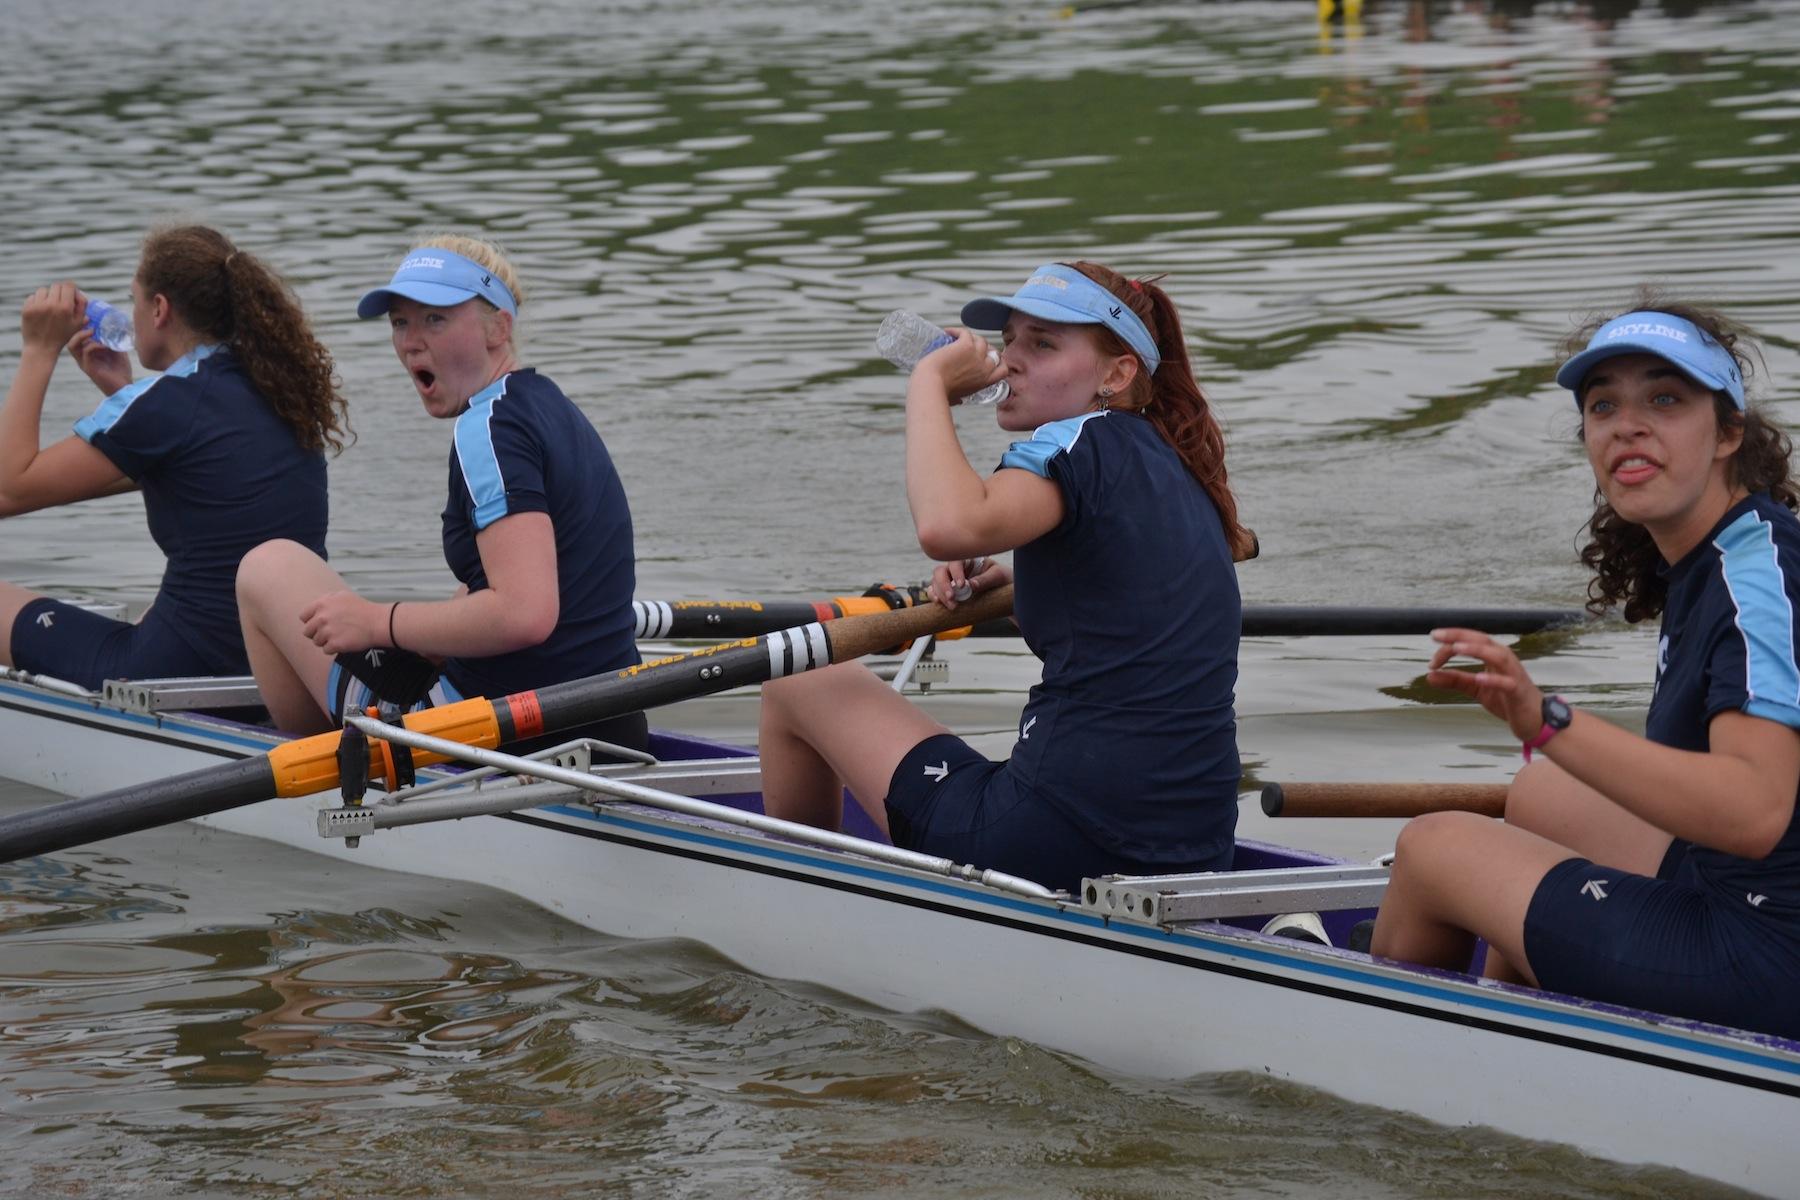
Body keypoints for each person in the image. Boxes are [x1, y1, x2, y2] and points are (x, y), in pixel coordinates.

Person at [1371, 293, 1800, 1039]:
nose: (1629, 424)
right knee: (1544, 793)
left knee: (1431, 848)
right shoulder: (1735, 547)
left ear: (1729, 430)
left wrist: (1548, 720)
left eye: (1665, 399)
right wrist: (1551, 745)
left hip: (1767, 956)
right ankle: (1524, 1026)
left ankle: (1400, 1067)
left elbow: (1754, 813)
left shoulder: (1754, 582)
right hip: (1754, 903)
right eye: (1604, 406)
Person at [758, 262, 1254, 893]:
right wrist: (1020, 592)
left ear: (1117, 373)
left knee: (797, 675)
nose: (1010, 360)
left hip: (1054, 837)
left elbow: (946, 526)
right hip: (1196, 845)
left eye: (1043, 344)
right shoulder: (1179, 467)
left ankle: (797, 905)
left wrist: (930, 383)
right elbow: (1132, 621)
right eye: (1012, 340)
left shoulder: (1071, 444)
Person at [235, 233, 645, 750]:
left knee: (267, 568)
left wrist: (377, 622)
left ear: (500, 327)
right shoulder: (549, 408)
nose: (410, 342)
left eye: (435, 319)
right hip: (611, 717)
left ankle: (311, 769)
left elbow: (525, 614)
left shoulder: (487, 429)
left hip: (497, 733)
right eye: (400, 322)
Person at [0, 225, 347, 688]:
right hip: (279, 658)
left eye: (135, 299)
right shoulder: (278, 386)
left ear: (159, 309)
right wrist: (120, 390)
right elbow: (201, 472)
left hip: (178, 666)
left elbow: (9, 489)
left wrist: (38, 350)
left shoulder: (166, 404)